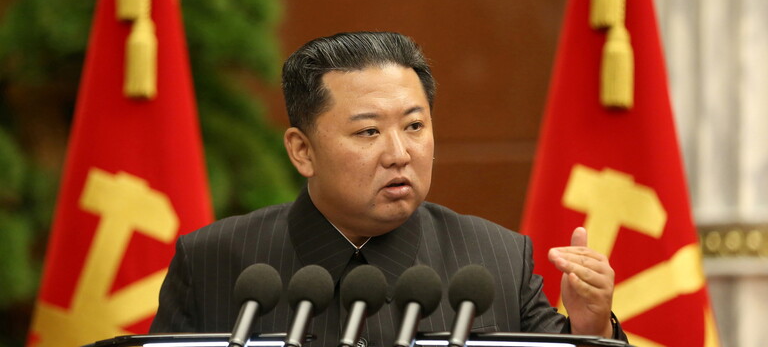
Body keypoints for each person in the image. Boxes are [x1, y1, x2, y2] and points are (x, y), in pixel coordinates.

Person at [150, 32, 628, 346]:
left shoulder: (497, 260)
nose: (399, 153)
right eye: (368, 132)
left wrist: (592, 327)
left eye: (414, 126)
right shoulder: (214, 262)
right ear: (302, 150)